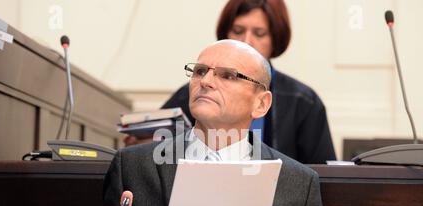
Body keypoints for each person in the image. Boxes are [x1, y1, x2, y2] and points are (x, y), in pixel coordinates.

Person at [82, 39, 339, 206]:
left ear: (261, 103)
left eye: (227, 75)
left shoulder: (298, 181)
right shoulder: (133, 166)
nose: (205, 81)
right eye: (200, 71)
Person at [125, 0, 336, 164]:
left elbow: (320, 177)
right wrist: (150, 147)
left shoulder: (303, 102)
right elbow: (158, 156)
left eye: (259, 33)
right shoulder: (194, 90)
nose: (246, 41)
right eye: (238, 31)